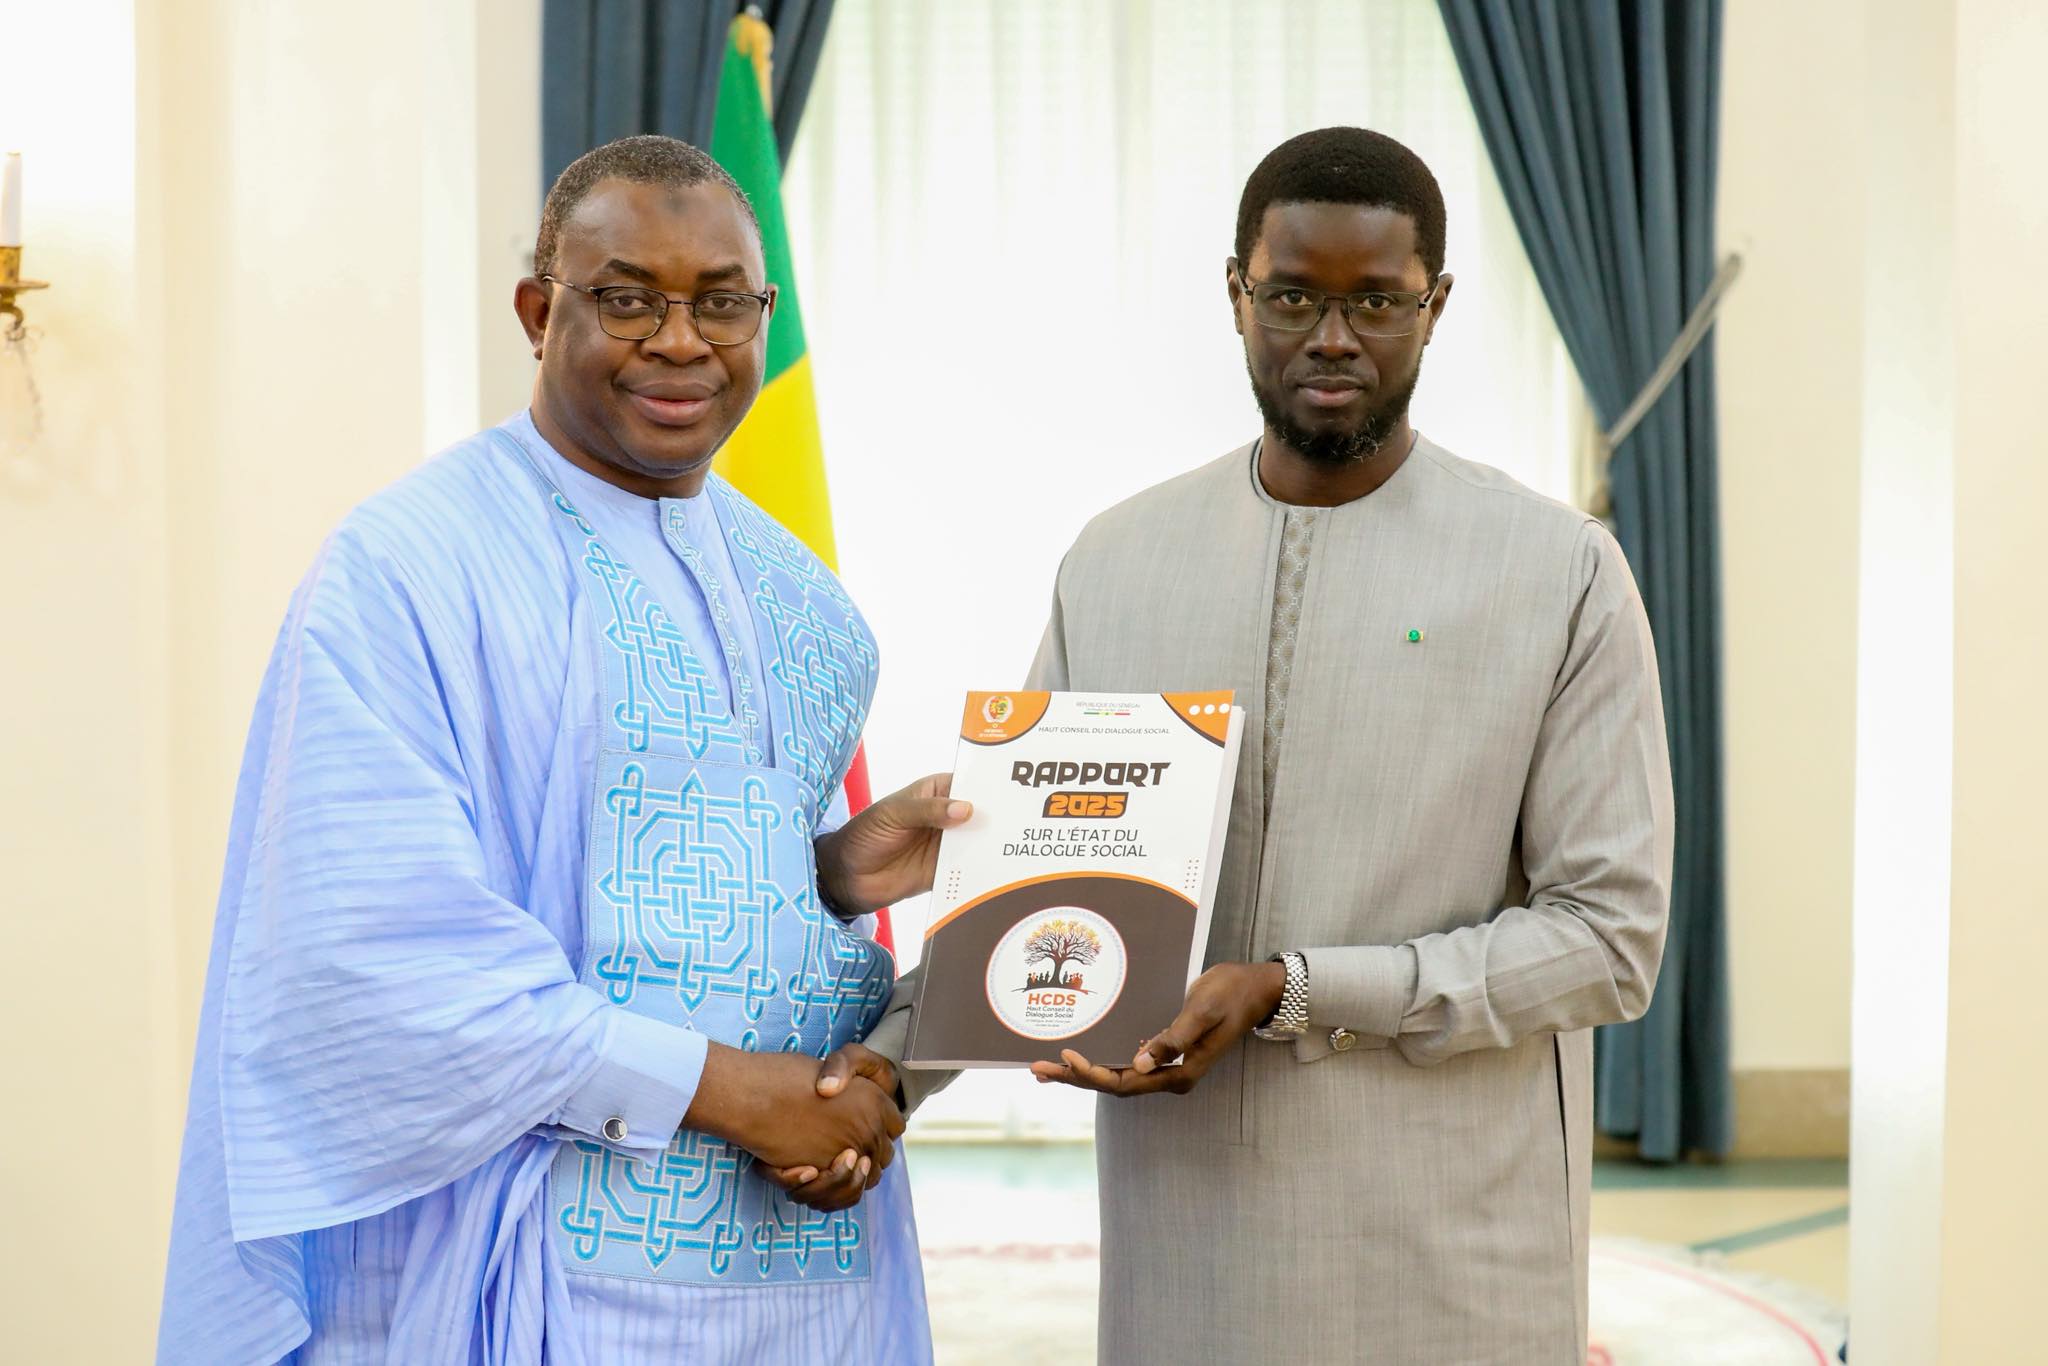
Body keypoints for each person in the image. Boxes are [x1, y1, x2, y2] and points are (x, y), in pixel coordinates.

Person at [863, 126, 1675, 1363]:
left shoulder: (1557, 570)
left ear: (1435, 307)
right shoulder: (1118, 560)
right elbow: (1027, 887)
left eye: (1377, 302)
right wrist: (877, 1079)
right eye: (1292, 295)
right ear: (1235, 294)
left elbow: (1606, 941)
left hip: (1454, 1240)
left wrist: (1296, 987)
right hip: (1190, 1244)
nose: (1331, 336)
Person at [156, 134, 961, 1364]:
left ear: (764, 315)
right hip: (527, 1268)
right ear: (539, 313)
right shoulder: (410, 566)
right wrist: (736, 1095)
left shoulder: (807, 603)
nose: (681, 342)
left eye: (720, 304)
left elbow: (670, 887)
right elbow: (371, 951)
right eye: (628, 300)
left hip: (801, 1269)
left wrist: (833, 872)